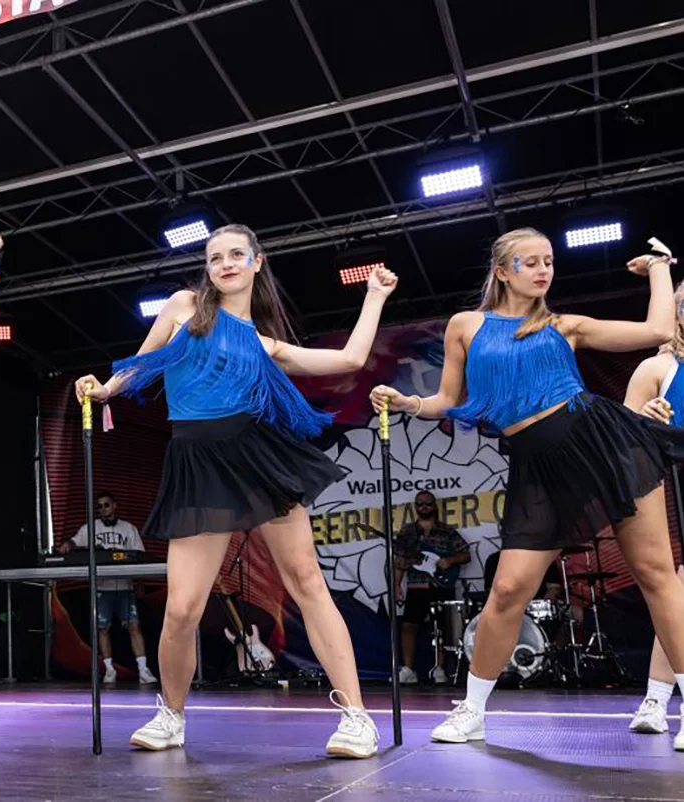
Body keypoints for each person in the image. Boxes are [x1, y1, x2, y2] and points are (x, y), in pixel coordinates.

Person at [77, 223, 397, 759]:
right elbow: (140, 365)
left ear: (256, 262)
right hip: (196, 459)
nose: (224, 263)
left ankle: (357, 718)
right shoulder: (182, 307)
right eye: (215, 257)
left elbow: (349, 361)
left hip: (255, 454)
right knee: (182, 608)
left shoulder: (262, 342)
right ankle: (170, 716)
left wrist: (375, 297)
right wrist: (104, 388)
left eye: (235, 255)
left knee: (305, 581)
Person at [370, 230, 684, 749]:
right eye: (529, 262)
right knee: (510, 588)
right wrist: (408, 403)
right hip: (537, 468)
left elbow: (656, 329)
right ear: (501, 270)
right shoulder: (466, 327)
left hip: (600, 444)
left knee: (655, 573)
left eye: (549, 262)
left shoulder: (564, 326)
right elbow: (448, 399)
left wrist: (658, 270)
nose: (542, 271)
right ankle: (472, 710)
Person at [621, 277, 684, 740]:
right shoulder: (658, 368)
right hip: (676, 482)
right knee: (680, 590)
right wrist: (647, 421)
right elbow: (622, 434)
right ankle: (656, 699)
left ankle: (657, 697)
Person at [56, 493, 157, 685]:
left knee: (134, 626)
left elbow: (138, 556)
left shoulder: (128, 529)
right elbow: (74, 542)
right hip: (102, 587)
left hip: (125, 586)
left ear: (114, 506)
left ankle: (143, 670)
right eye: (100, 506)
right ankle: (110, 670)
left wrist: (139, 582)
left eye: (106, 505)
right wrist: (67, 544)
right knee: (102, 628)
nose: (103, 509)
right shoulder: (90, 528)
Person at [392, 491, 470, 685]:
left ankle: (440, 669)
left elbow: (466, 554)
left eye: (427, 503)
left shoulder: (447, 531)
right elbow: (400, 560)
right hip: (416, 584)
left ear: (434, 506)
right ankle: (409, 669)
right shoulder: (407, 532)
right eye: (420, 504)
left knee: (442, 628)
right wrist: (396, 585)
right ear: (415, 507)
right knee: (408, 626)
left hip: (441, 584)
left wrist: (449, 560)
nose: (423, 507)